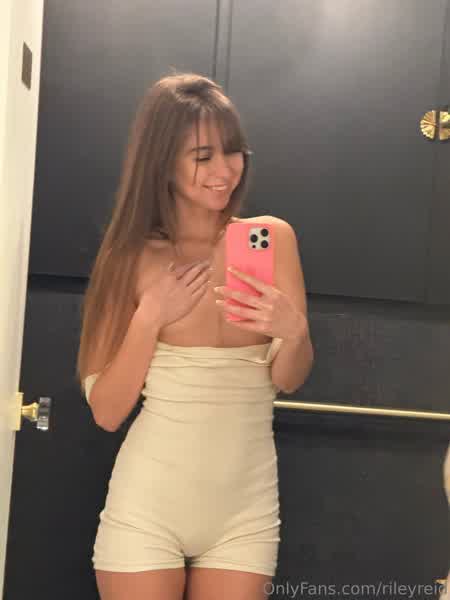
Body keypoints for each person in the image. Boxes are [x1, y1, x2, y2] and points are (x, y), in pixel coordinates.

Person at [76, 70, 314, 600]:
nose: (225, 170)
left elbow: (288, 379)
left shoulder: (272, 238)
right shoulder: (132, 257)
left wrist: (295, 335)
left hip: (246, 509)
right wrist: (150, 317)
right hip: (148, 506)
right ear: (162, 162)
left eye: (234, 151)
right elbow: (107, 412)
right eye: (203, 156)